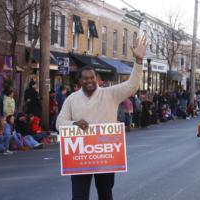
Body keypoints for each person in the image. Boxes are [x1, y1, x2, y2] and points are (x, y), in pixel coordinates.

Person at [56, 35, 147, 200]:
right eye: (86, 78)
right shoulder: (71, 99)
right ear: (80, 81)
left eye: (92, 77)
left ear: (97, 79)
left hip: (104, 156)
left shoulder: (110, 94)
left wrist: (139, 61)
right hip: (80, 156)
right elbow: (59, 123)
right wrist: (74, 123)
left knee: (105, 194)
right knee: (79, 196)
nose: (90, 81)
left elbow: (132, 85)